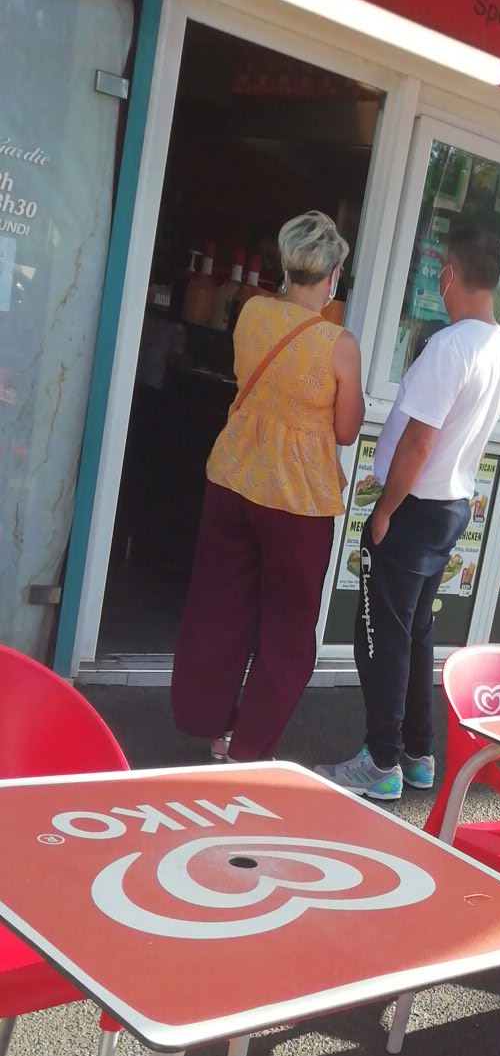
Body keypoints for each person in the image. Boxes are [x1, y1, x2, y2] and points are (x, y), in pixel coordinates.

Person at [318, 226, 500, 801]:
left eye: (441, 270)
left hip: (414, 507)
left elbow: (419, 442)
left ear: (451, 272)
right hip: (448, 505)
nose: (439, 280)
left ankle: (381, 761)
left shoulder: (450, 347)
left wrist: (385, 510)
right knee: (414, 632)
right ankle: (418, 753)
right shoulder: (498, 347)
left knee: (381, 637)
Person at [171, 210, 364, 762]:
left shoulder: (252, 311)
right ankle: (249, 748)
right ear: (332, 275)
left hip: (234, 477)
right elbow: (346, 430)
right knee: (287, 632)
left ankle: (213, 727)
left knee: (220, 605)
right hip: (296, 501)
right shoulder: (338, 344)